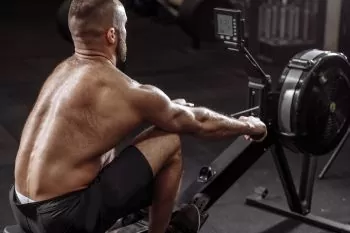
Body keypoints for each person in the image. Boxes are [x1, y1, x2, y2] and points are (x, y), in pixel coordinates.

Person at [9, 0, 267, 233]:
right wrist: (248, 125)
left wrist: (164, 110)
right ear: (112, 34)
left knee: (110, 145)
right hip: (63, 219)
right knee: (170, 139)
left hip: (22, 206)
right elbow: (199, 123)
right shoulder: (125, 90)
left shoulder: (62, 73)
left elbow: (108, 127)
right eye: (123, 28)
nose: (125, 34)